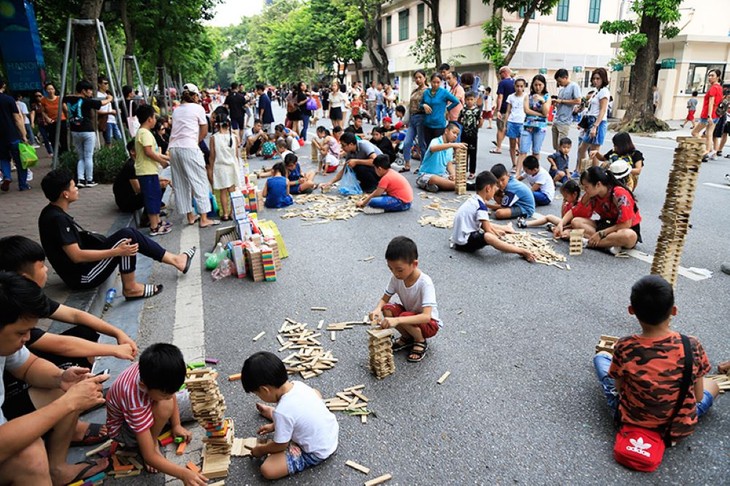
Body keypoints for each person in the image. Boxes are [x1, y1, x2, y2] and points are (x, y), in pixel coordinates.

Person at [0, 272, 110, 485]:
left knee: (69, 388)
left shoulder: (6, 341)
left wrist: (60, 377)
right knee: (30, 456)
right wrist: (68, 403)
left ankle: (58, 470)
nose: (27, 339)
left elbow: (28, 365)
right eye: (21, 332)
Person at [593, 275, 718, 447]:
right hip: (675, 427)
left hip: (632, 422)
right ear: (674, 310)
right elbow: (697, 396)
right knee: (713, 386)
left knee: (601, 358)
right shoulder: (692, 345)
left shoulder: (625, 345)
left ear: (631, 310)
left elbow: (619, 388)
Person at [38, 169, 197, 297]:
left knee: (127, 234)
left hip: (81, 271)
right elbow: (76, 256)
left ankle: (176, 260)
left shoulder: (51, 213)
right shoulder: (57, 219)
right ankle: (131, 287)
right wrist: (116, 251)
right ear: (65, 194)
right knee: (127, 239)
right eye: (73, 186)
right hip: (83, 277)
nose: (77, 189)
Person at [106, 343, 207, 485]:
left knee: (195, 404)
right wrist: (183, 474)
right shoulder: (134, 401)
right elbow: (149, 457)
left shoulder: (154, 371)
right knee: (165, 406)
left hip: (148, 404)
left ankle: (159, 425)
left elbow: (170, 396)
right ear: (144, 386)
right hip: (124, 430)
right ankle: (152, 442)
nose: (171, 396)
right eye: (165, 394)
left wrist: (176, 425)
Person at [241, 351, 338, 479]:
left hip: (316, 451)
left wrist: (262, 449)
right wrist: (274, 425)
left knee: (267, 470)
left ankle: (275, 418)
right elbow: (305, 406)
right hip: (330, 433)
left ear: (265, 389)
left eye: (257, 394)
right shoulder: (298, 385)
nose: (259, 397)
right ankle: (274, 417)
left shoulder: (282, 412)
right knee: (309, 398)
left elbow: (281, 445)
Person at [369, 236, 441, 362]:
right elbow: (384, 299)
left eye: (399, 270)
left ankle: (420, 340)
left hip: (429, 325)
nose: (395, 273)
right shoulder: (396, 278)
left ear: (414, 264)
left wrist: (397, 320)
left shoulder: (425, 283)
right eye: (390, 269)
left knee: (404, 315)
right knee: (387, 309)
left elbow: (426, 317)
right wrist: (377, 309)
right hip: (409, 317)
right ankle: (408, 337)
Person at [553, 166, 641, 254]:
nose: (585, 190)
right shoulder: (591, 195)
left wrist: (601, 234)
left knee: (628, 236)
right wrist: (561, 224)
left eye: (586, 187)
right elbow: (574, 211)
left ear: (598, 184)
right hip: (605, 225)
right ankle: (608, 244)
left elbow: (626, 224)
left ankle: (588, 243)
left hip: (624, 228)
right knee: (576, 222)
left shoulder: (619, 194)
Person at [451, 171, 535, 262]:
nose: (494, 193)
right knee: (488, 237)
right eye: (494, 190)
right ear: (488, 188)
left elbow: (484, 224)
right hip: (464, 242)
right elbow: (487, 231)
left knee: (488, 228)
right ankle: (521, 251)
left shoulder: (474, 199)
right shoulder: (481, 206)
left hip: (457, 239)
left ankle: (505, 229)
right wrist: (499, 239)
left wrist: (498, 232)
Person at [169, 83, 219, 227]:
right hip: (189, 147)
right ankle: (204, 218)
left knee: (181, 183)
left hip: (174, 149)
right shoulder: (198, 108)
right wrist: (195, 142)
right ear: (194, 95)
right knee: (200, 181)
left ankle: (190, 216)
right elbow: (204, 130)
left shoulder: (177, 110)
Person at [63, 80, 113, 187]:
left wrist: (68, 113)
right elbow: (101, 103)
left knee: (81, 157)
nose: (91, 92)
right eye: (89, 90)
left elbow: (64, 102)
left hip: (74, 131)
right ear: (83, 91)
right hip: (87, 130)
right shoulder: (86, 101)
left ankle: (80, 180)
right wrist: (109, 99)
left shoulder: (68, 99)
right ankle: (89, 180)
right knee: (88, 156)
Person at [135, 105, 172, 236]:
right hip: (146, 172)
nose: (156, 120)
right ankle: (154, 226)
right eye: (154, 117)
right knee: (151, 198)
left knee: (156, 196)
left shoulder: (145, 133)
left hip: (150, 171)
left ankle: (158, 221)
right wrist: (162, 162)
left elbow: (155, 152)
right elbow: (149, 152)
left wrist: (167, 158)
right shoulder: (144, 133)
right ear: (149, 119)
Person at [575, 68, 610, 177]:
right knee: (582, 149)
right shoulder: (596, 91)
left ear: (603, 79)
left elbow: (603, 110)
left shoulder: (604, 91)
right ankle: (582, 172)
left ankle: (595, 176)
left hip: (598, 123)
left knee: (594, 151)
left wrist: (595, 126)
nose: (595, 81)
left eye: (598, 78)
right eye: (594, 78)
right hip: (590, 122)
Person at [415, 122, 466, 193]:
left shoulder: (450, 147)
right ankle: (459, 186)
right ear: (446, 131)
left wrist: (453, 175)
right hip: (426, 174)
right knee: (434, 179)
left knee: (457, 178)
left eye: (457, 134)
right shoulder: (436, 141)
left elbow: (449, 164)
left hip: (442, 175)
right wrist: (452, 145)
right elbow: (433, 148)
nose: (455, 136)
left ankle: (445, 185)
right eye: (453, 133)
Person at [209, 111, 240, 221]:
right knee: (232, 190)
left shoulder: (214, 138)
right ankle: (232, 212)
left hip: (220, 167)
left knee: (222, 191)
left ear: (217, 124)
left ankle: (225, 214)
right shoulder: (234, 137)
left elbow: (212, 156)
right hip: (232, 166)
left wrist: (211, 170)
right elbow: (236, 154)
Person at [0, 77, 29, 192]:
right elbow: (17, 118)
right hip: (12, 134)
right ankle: (23, 185)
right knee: (20, 160)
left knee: (3, 158)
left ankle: (7, 176)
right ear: (3, 86)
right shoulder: (9, 99)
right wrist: (23, 135)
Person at [519, 75, 551, 175]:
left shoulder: (546, 97)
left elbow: (546, 112)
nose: (538, 87)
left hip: (540, 127)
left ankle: (536, 173)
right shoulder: (528, 96)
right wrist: (539, 114)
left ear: (544, 85)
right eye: (536, 85)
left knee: (536, 150)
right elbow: (526, 110)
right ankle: (518, 173)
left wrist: (542, 100)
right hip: (528, 125)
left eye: (540, 85)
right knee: (523, 150)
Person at [421, 74, 461, 146]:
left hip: (439, 125)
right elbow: (420, 105)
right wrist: (424, 105)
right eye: (434, 82)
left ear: (441, 83)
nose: (435, 84)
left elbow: (456, 101)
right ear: (430, 81)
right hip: (427, 124)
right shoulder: (426, 92)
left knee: (438, 146)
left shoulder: (444, 92)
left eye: (438, 82)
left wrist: (447, 108)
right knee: (428, 147)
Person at [401, 70, 428, 173]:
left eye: (420, 77)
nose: (418, 80)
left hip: (421, 118)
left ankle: (423, 166)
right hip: (412, 118)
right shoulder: (414, 91)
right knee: (407, 142)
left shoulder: (428, 91)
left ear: (425, 78)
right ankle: (407, 164)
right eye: (416, 78)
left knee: (422, 144)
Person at [552, 69, 582, 151]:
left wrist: (562, 101)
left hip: (564, 121)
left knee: (562, 148)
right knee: (556, 147)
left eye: (560, 81)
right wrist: (556, 102)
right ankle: (556, 163)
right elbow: (560, 102)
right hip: (557, 119)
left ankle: (560, 163)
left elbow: (578, 101)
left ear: (565, 77)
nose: (559, 83)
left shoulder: (574, 86)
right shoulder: (562, 89)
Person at [113, 140, 145, 213]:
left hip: (128, 198)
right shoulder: (131, 166)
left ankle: (153, 212)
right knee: (154, 189)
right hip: (126, 203)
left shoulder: (136, 163)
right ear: (132, 152)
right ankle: (148, 217)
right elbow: (137, 189)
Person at [504, 78, 527, 171]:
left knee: (522, 146)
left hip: (522, 122)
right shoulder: (511, 97)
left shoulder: (526, 96)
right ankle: (514, 164)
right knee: (512, 145)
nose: (519, 88)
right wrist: (505, 124)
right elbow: (508, 111)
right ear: (514, 86)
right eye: (517, 86)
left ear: (524, 87)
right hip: (512, 121)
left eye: (521, 86)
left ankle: (520, 164)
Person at [459, 91, 483, 180]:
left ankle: (472, 172)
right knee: (464, 153)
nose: (469, 101)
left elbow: (480, 121)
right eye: (467, 99)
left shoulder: (477, 111)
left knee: (473, 153)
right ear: (465, 100)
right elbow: (459, 119)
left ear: (475, 100)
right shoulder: (463, 110)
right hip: (464, 134)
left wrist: (476, 128)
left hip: (473, 135)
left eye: (471, 99)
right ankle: (463, 170)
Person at [491, 66, 515, 155]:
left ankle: (498, 147)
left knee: (501, 129)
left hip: (504, 109)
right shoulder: (515, 82)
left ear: (504, 72)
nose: (500, 75)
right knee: (512, 129)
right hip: (514, 110)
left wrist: (498, 110)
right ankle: (516, 148)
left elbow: (500, 97)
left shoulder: (502, 83)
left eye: (500, 73)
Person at [39, 82, 68, 155]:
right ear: (46, 91)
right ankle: (57, 157)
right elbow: (42, 111)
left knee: (63, 140)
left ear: (54, 90)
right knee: (53, 140)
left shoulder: (59, 98)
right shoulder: (43, 100)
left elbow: (66, 110)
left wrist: (68, 119)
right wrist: (47, 118)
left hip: (62, 121)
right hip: (51, 122)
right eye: (48, 89)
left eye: (52, 89)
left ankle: (65, 156)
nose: (50, 91)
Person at [97, 76, 122, 147]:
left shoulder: (107, 94)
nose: (107, 85)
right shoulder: (98, 95)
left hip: (112, 120)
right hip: (106, 121)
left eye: (107, 83)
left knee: (119, 139)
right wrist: (110, 112)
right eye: (105, 83)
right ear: (99, 84)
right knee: (108, 141)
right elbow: (97, 111)